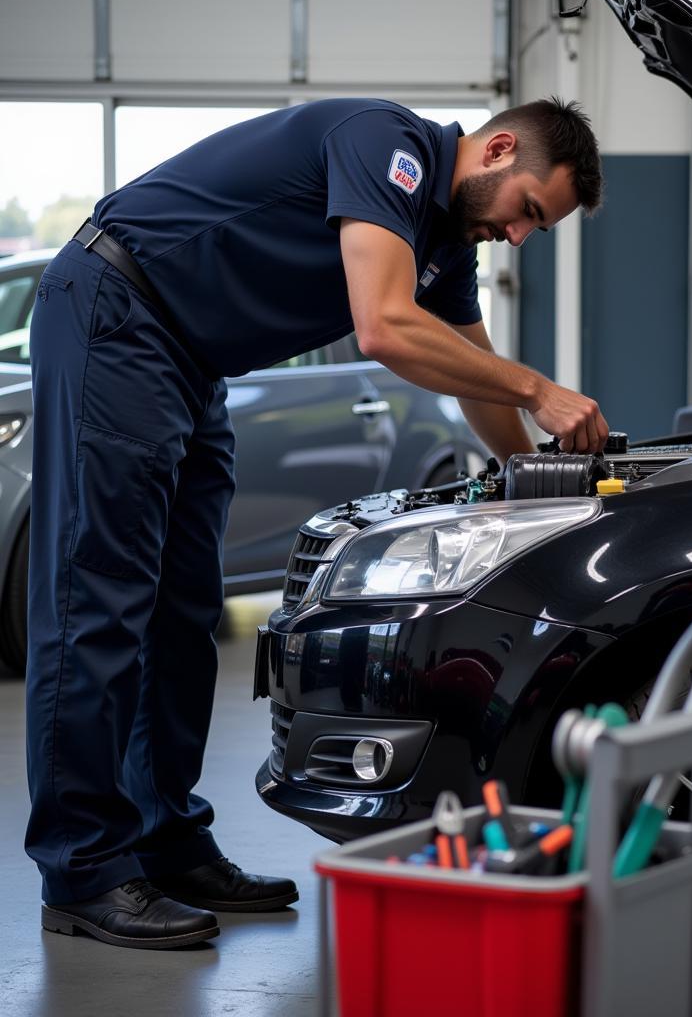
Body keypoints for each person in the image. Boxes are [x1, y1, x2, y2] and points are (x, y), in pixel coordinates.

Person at [26, 96, 607, 949]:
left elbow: (474, 371)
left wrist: (533, 480)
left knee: (184, 614)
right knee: (99, 602)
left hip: (189, 360)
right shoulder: (386, 145)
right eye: (527, 211)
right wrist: (541, 389)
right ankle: (82, 869)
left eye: (536, 228)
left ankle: (166, 841)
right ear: (499, 148)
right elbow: (382, 324)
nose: (519, 236)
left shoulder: (445, 242)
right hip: (119, 312)